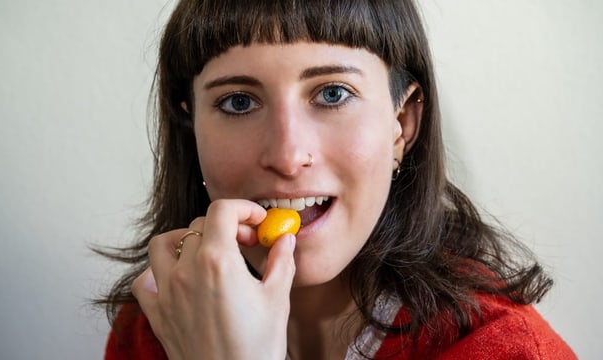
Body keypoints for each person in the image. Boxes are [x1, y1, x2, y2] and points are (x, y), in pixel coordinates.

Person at [96, 0, 577, 359]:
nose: (287, 157)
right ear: (191, 127)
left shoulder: (506, 350)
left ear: (402, 124)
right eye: (238, 102)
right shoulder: (155, 326)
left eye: (331, 93)